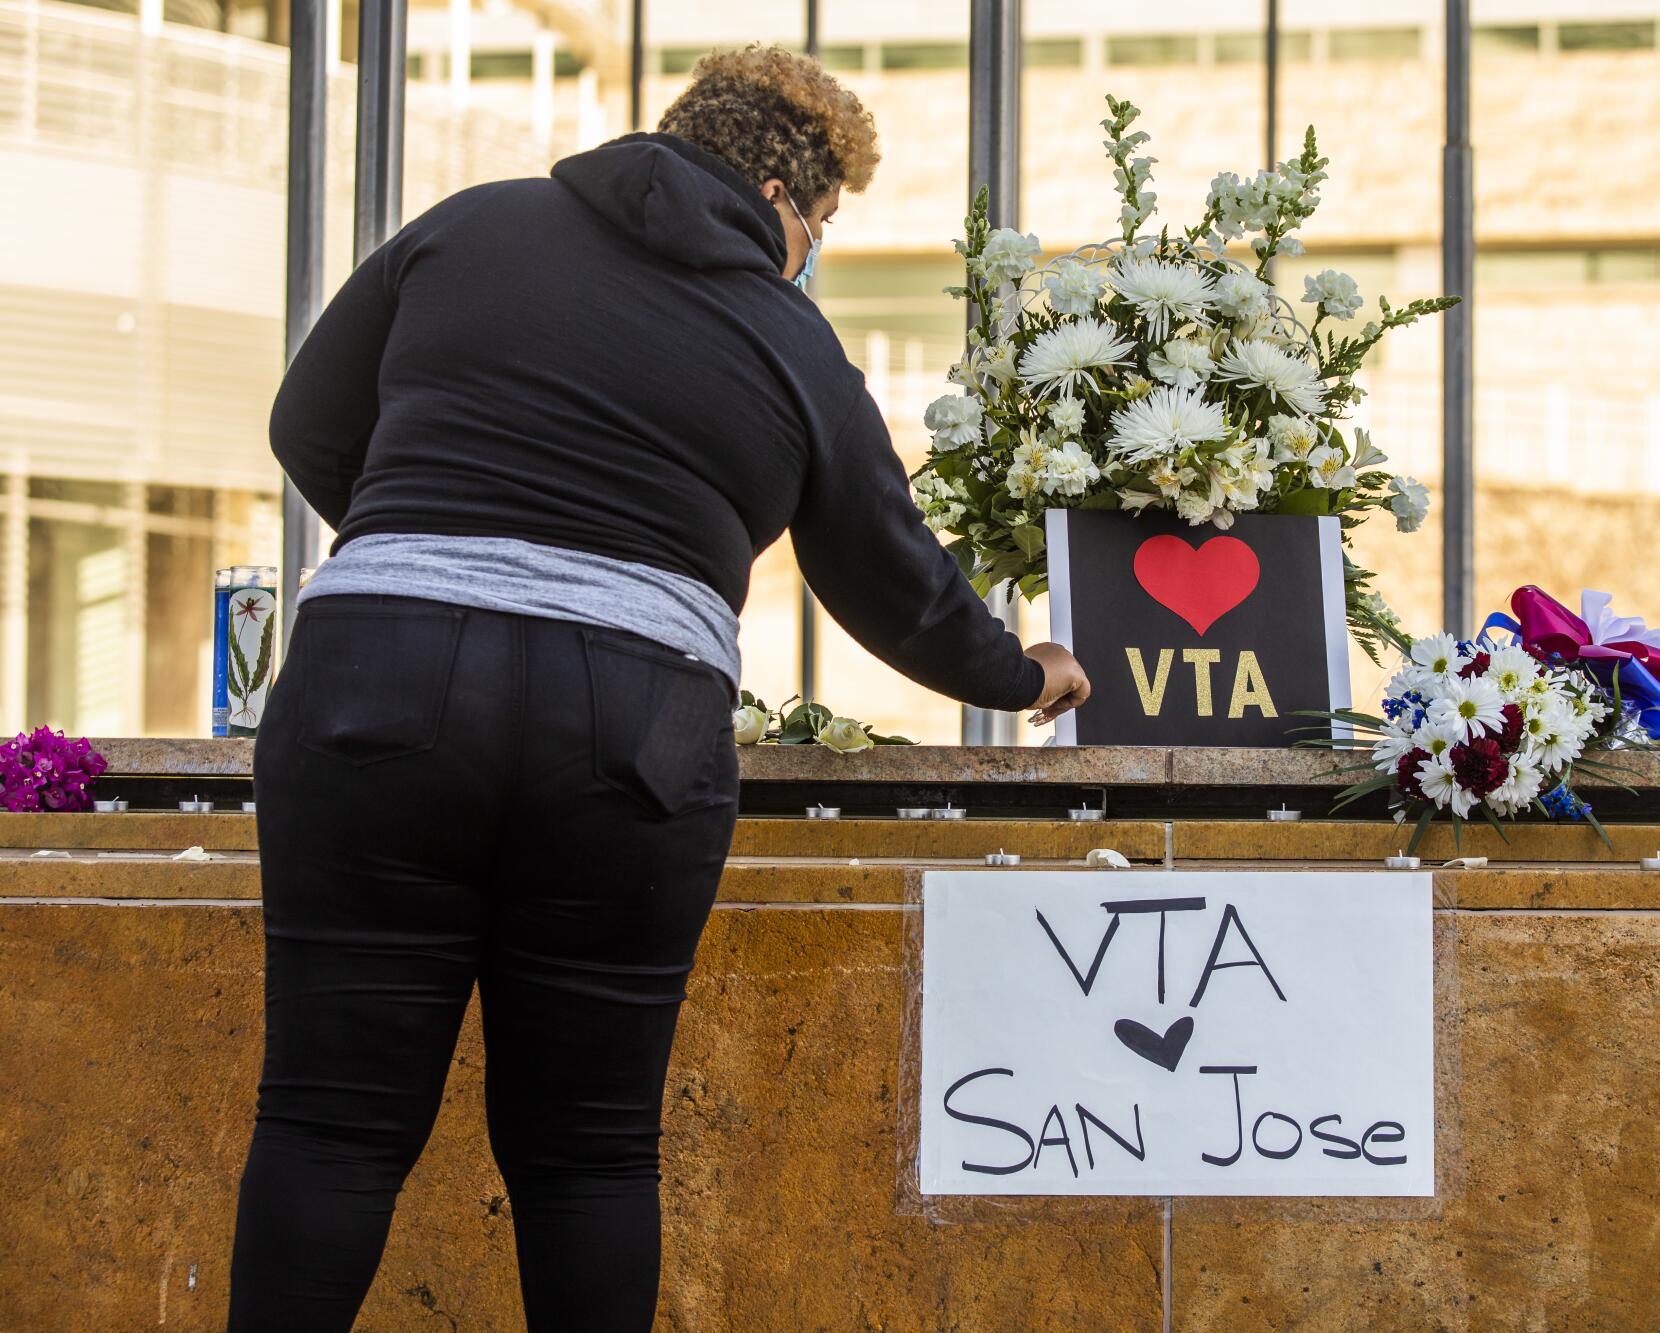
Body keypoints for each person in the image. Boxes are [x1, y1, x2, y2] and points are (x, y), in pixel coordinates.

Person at [227, 45, 1089, 1331]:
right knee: (586, 1151)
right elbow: (885, 572)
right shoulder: (791, 342)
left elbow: (308, 421)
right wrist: (1018, 669)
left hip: (376, 687)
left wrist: (443, 560)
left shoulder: (468, 226)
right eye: (828, 222)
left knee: (329, 1123)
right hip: (626, 726)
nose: (816, 248)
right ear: (783, 197)